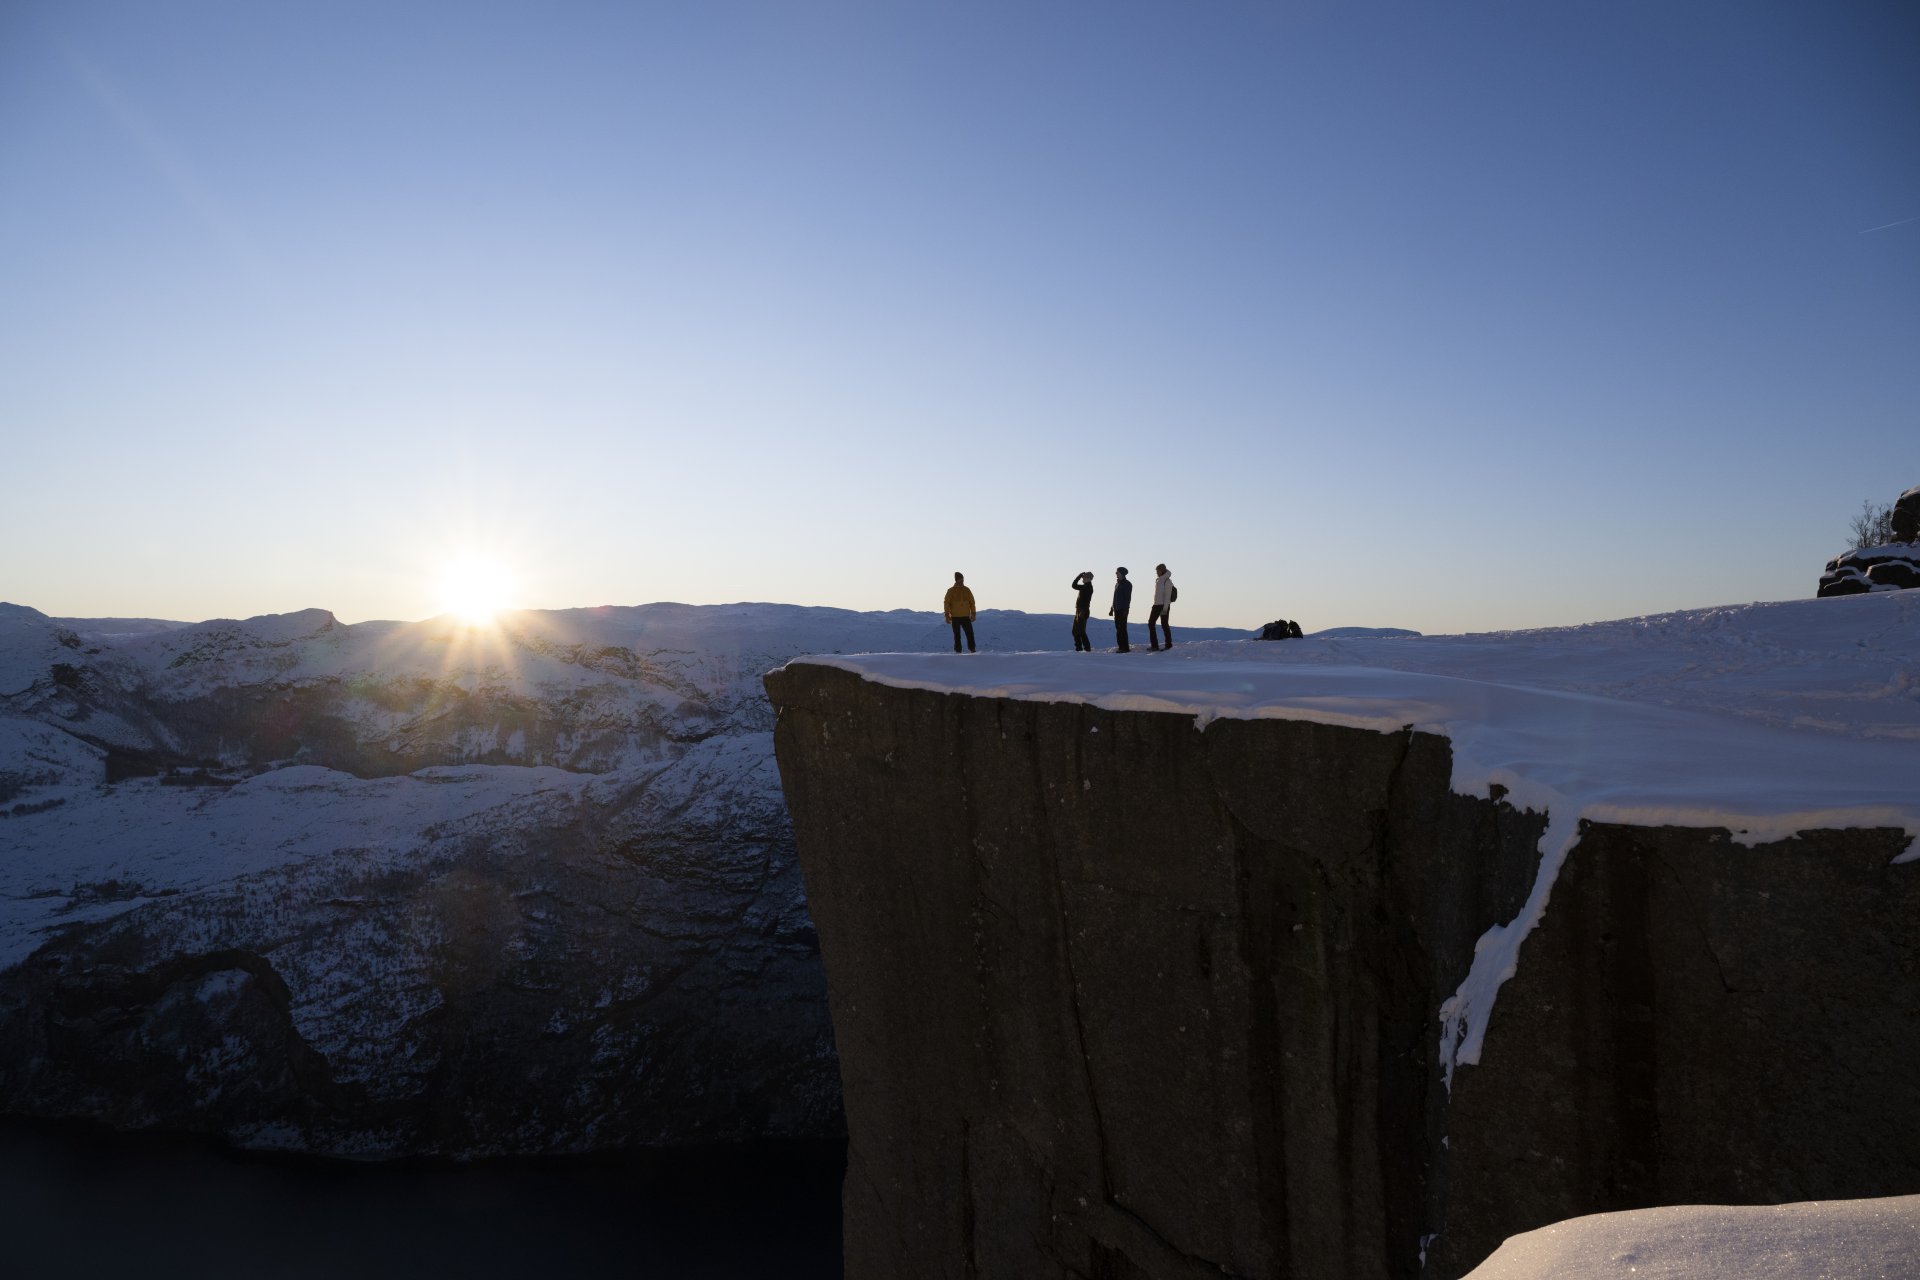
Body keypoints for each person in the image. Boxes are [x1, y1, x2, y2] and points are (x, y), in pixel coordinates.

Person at [943, 572, 977, 653]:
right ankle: (958, 652)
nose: (962, 582)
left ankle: (972, 650)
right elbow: (946, 602)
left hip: (966, 616)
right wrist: (947, 615)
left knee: (970, 634)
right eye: (960, 580)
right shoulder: (950, 591)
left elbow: (972, 602)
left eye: (962, 580)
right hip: (955, 617)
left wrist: (973, 613)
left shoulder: (967, 590)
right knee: (957, 636)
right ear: (956, 580)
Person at [1148, 564, 1175, 651]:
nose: (1157, 572)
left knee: (1164, 625)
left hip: (1163, 605)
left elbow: (1167, 597)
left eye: (1158, 571)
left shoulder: (1167, 581)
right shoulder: (1159, 580)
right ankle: (1154, 645)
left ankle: (1168, 645)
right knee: (1151, 623)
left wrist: (1165, 609)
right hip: (1156, 605)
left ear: (1162, 571)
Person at [1108, 567, 1132, 652]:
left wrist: (1125, 609)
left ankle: (1125, 647)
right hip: (1117, 608)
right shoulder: (1117, 584)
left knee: (1122, 628)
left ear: (1122, 573)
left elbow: (1127, 598)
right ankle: (1120, 647)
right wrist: (1112, 608)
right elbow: (1115, 597)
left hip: (1123, 609)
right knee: (1118, 628)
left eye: (1117, 572)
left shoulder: (1127, 584)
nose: (1116, 573)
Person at [1069, 571, 1094, 651]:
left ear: (1088, 579)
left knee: (1081, 631)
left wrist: (1082, 611)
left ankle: (1087, 648)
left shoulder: (1088, 587)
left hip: (1083, 610)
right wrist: (1079, 576)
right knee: (1075, 631)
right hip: (1079, 610)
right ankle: (1079, 648)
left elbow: (1086, 601)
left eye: (1084, 577)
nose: (1083, 579)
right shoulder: (1085, 586)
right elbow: (1074, 586)